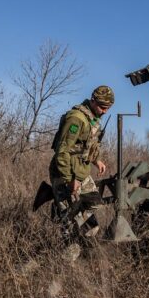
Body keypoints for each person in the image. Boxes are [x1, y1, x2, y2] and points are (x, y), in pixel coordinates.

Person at [48, 85, 114, 257]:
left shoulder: (93, 118)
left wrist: (96, 160)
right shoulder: (76, 119)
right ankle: (66, 261)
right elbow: (62, 151)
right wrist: (70, 179)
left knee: (95, 203)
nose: (105, 111)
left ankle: (65, 215)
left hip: (81, 172)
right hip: (65, 172)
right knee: (71, 223)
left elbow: (86, 146)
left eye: (108, 108)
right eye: (102, 107)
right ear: (92, 101)